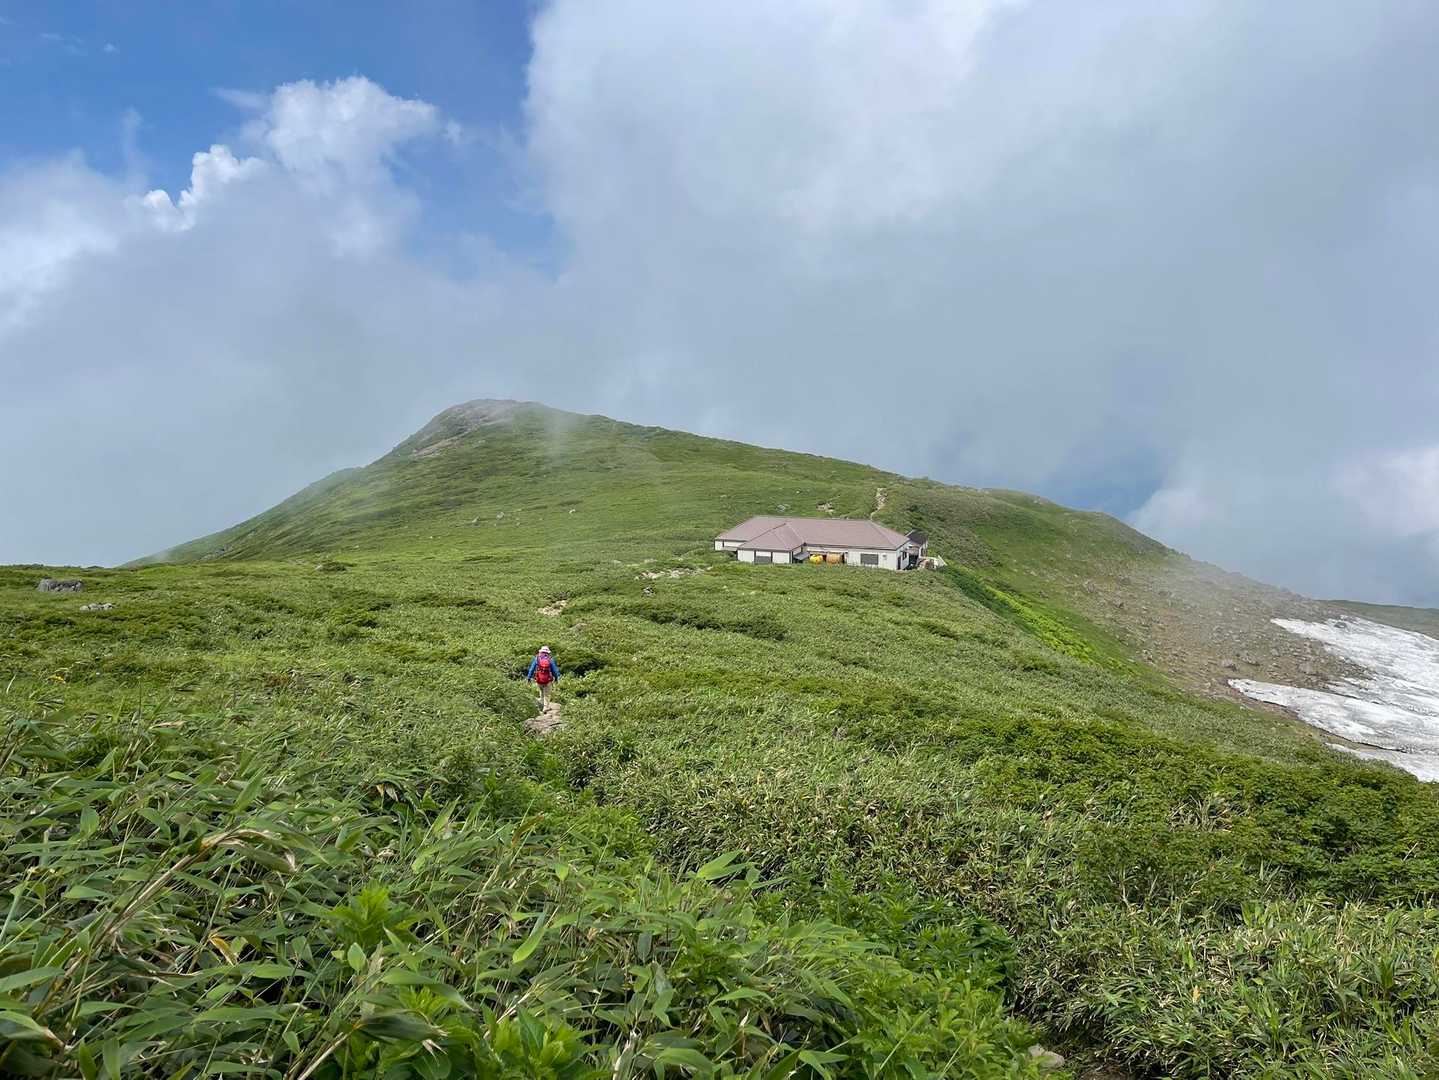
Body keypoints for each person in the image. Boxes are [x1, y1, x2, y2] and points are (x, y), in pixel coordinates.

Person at [526, 645, 560, 709]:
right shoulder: (550, 660)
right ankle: (545, 708)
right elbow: (555, 671)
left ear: (541, 652)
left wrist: (528, 678)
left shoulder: (537, 659)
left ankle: (541, 706)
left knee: (541, 692)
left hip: (539, 679)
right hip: (548, 680)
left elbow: (531, 669)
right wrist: (556, 678)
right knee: (547, 694)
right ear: (548, 653)